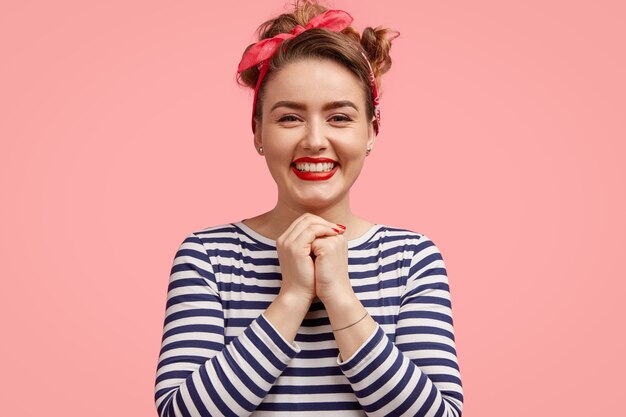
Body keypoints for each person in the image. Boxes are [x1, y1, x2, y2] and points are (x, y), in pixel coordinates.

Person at [154, 1, 463, 416]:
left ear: (371, 132)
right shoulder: (207, 257)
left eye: (339, 117)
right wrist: (293, 295)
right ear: (257, 131)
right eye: (289, 118)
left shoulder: (411, 259)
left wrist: (339, 296)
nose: (315, 140)